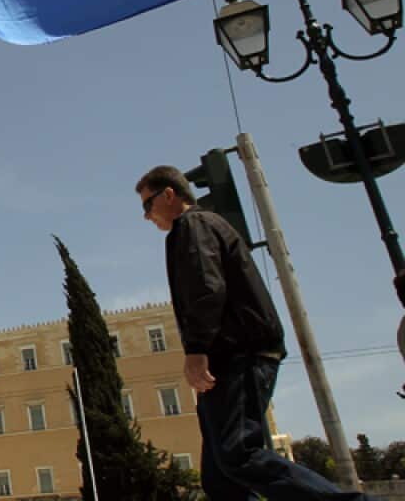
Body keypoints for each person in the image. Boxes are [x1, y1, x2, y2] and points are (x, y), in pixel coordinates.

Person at [136, 166, 376, 501]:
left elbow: (207, 287)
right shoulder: (199, 227)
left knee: (239, 454)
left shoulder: (194, 225)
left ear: (170, 195)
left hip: (237, 354)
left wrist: (197, 348)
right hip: (228, 357)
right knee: (220, 477)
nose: (146, 217)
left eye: (148, 206)